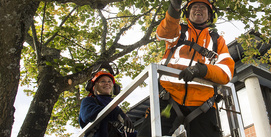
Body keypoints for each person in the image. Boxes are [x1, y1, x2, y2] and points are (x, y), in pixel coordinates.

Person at [137, 0, 235, 137]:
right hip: (168, 99)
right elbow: (163, 33)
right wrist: (174, 8)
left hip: (203, 107)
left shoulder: (217, 41)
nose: (198, 9)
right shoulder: (178, 31)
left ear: (210, 15)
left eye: (203, 7)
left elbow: (226, 72)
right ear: (187, 13)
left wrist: (201, 70)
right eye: (194, 7)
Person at [79, 70, 136, 137]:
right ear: (94, 86)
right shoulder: (88, 101)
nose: (107, 83)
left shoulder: (115, 106)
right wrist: (116, 113)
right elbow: (87, 115)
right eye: (103, 81)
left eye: (109, 81)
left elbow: (127, 132)